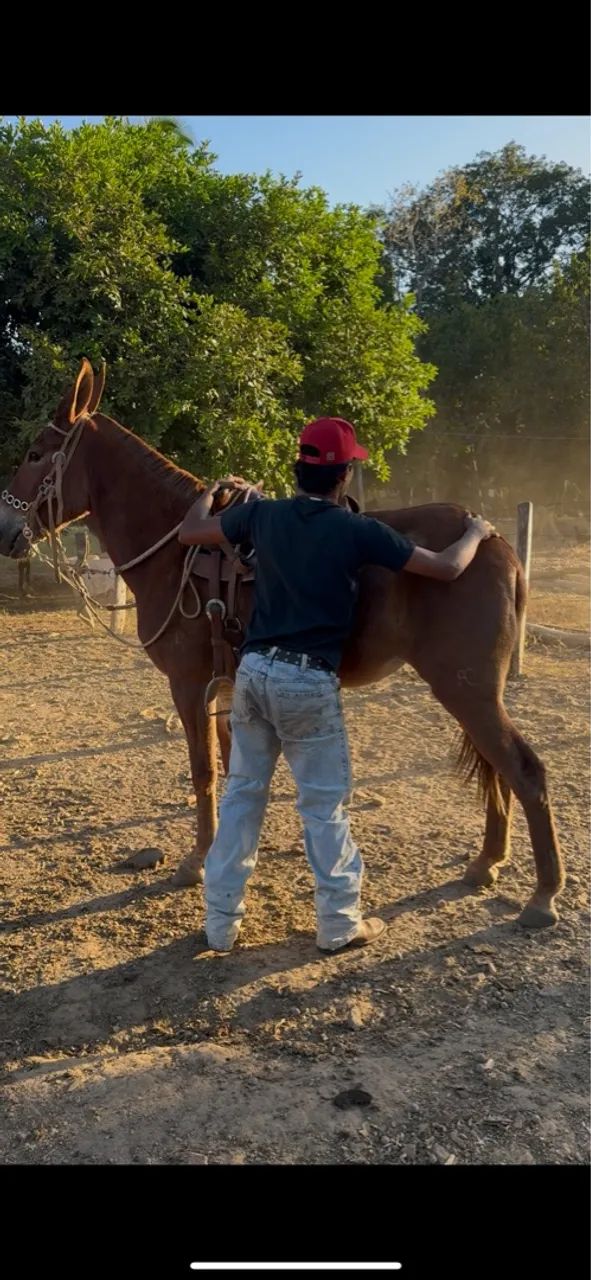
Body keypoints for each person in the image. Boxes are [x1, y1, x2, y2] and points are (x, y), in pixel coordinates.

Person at [179, 417, 495, 955]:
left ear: (296, 469)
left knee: (242, 798)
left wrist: (213, 490)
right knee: (323, 808)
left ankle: (220, 926)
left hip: (252, 674)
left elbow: (191, 531)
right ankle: (339, 924)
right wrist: (476, 533)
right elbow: (445, 568)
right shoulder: (356, 530)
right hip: (307, 680)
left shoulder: (263, 515)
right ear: (344, 475)